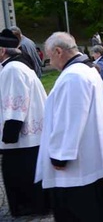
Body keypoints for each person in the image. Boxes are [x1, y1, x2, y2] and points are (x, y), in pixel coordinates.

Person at [35, 32, 103, 221]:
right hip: (87, 156)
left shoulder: (73, 76)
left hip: (76, 164)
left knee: (86, 210)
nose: (50, 62)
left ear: (58, 51)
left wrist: (61, 155)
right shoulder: (85, 71)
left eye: (49, 57)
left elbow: (71, 120)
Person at [0, 29, 49, 217]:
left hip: (22, 137)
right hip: (30, 137)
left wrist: (9, 136)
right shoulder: (14, 66)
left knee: (20, 175)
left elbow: (15, 103)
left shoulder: (12, 69)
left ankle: (29, 207)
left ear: (2, 50)